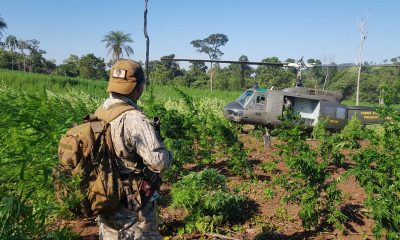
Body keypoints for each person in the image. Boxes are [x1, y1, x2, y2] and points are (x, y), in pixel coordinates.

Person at [96, 59, 172, 240]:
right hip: (133, 205)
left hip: (105, 196)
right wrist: (169, 155)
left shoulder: (100, 112)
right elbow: (159, 163)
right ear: (138, 88)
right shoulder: (134, 119)